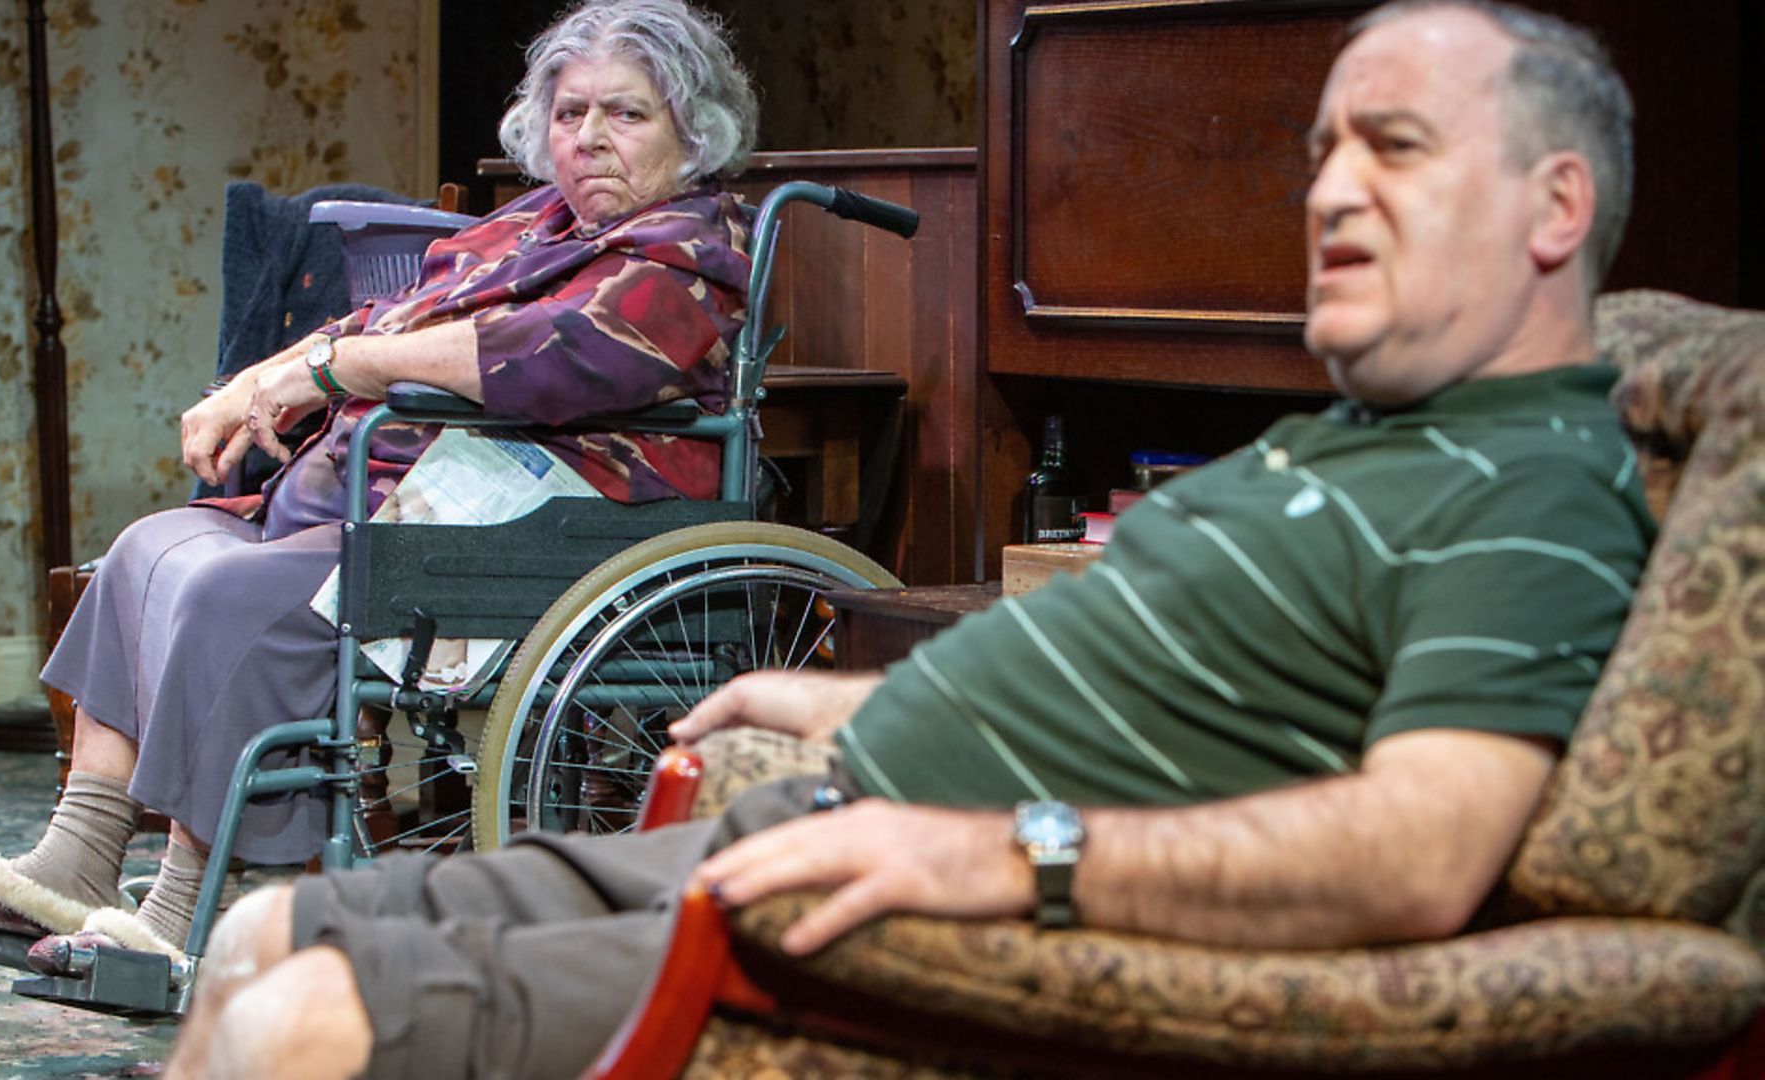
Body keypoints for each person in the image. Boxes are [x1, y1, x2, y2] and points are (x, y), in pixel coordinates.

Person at [166, 2, 1656, 1078]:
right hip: (804, 828)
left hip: (935, 918)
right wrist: (859, 700)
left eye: (1393, 148)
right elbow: (1188, 702)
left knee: (309, 1024)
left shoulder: (1533, 484)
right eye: (1325, 150)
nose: (1330, 189)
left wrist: (1017, 852)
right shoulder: (1347, 450)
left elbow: (1422, 852)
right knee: (266, 939)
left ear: (1555, 205)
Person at [0, 0, 759, 966]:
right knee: (150, 549)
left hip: (531, 524)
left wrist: (338, 374)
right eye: (571, 113)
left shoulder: (688, 249)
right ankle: (77, 859)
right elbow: (387, 314)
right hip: (385, 503)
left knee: (237, 597)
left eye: (627, 114)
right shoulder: (531, 223)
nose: (591, 137)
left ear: (692, 129)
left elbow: (555, 355)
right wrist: (261, 381)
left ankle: (179, 919)